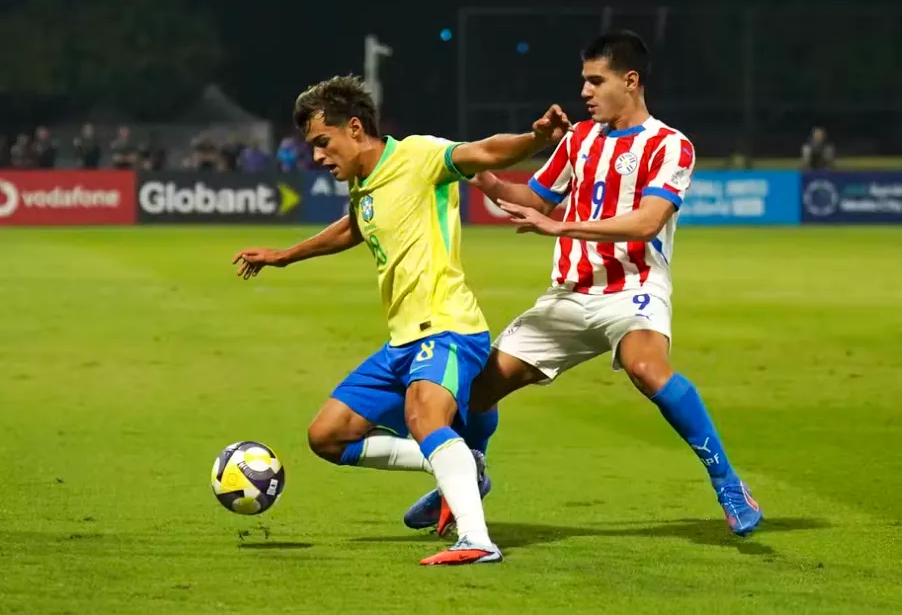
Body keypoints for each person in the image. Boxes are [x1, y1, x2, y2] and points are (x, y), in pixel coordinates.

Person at [404, 30, 763, 538]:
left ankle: (728, 483)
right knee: (478, 389)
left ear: (630, 81)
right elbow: (532, 198)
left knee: (645, 367)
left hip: (632, 289)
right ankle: (468, 476)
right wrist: (476, 171)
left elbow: (645, 223)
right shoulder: (579, 139)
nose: (586, 92)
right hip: (569, 296)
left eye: (597, 81)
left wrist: (560, 226)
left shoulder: (670, 145)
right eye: (584, 81)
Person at [231, 75, 569, 565]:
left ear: (353, 128)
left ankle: (476, 540)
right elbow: (355, 225)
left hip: (449, 326)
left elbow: (485, 153)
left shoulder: (419, 155)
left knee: (423, 417)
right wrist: (284, 255)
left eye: (323, 143)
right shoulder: (363, 184)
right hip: (402, 342)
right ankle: (459, 462)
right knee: (326, 436)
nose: (318, 157)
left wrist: (536, 139)